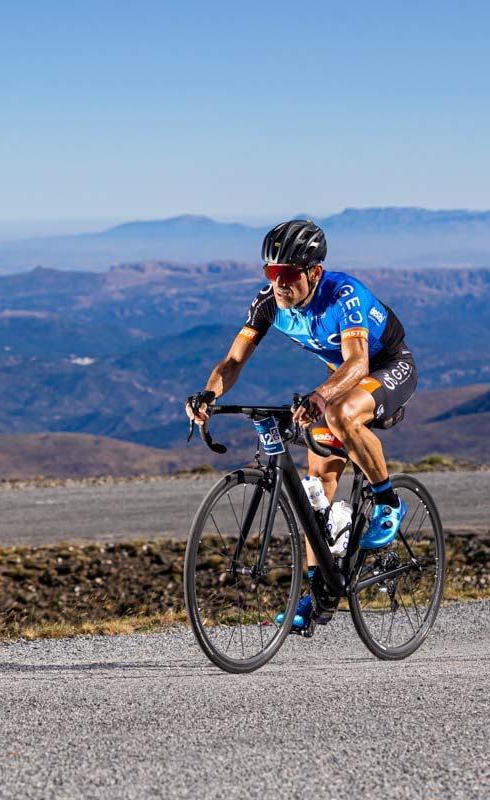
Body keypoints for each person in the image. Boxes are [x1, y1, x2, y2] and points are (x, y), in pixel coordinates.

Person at [184, 219, 417, 630]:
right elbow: (234, 361)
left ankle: (387, 501)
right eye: (271, 273)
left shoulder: (343, 295)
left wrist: (322, 396)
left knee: (339, 415)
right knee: (316, 487)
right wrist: (209, 394)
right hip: (340, 378)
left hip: (387, 367)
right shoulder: (270, 302)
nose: (279, 283)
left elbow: (358, 363)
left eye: (288, 275)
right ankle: (320, 594)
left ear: (314, 272)